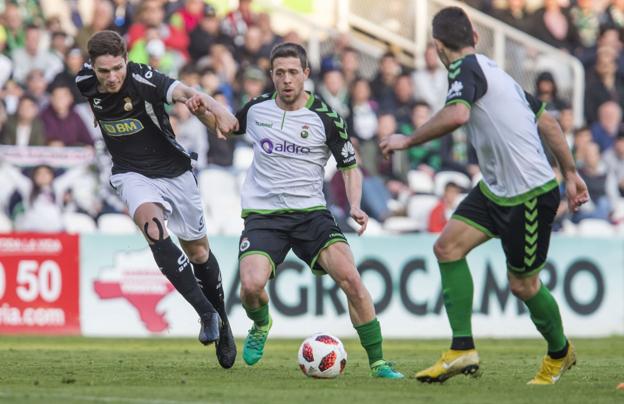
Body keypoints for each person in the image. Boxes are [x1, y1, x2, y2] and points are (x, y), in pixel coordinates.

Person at [380, 7, 589, 385]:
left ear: (438, 47)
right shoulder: (495, 71)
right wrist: (572, 173)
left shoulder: (464, 70)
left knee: (523, 285)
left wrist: (407, 139)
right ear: (475, 36)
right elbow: (547, 121)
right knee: (447, 248)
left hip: (528, 194)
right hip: (495, 190)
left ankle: (560, 353)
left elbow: (458, 115)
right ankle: (462, 349)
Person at [227, 42, 403, 379]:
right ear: (272, 76)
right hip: (264, 216)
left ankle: (379, 362)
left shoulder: (326, 117)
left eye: (293, 72)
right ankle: (261, 324)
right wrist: (201, 105)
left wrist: (354, 205)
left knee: (351, 279)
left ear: (306, 74)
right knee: (250, 286)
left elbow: (350, 167)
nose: (287, 79)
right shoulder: (256, 109)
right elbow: (226, 126)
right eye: (280, 73)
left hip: (310, 213)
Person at [75, 30, 237, 368]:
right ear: (92, 66)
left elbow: (184, 92)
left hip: (175, 172)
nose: (111, 77)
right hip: (131, 173)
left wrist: (215, 109)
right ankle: (205, 312)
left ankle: (223, 320)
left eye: (117, 68)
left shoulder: (142, 78)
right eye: (103, 71)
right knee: (153, 230)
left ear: (125, 61)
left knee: (198, 251)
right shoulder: (84, 81)